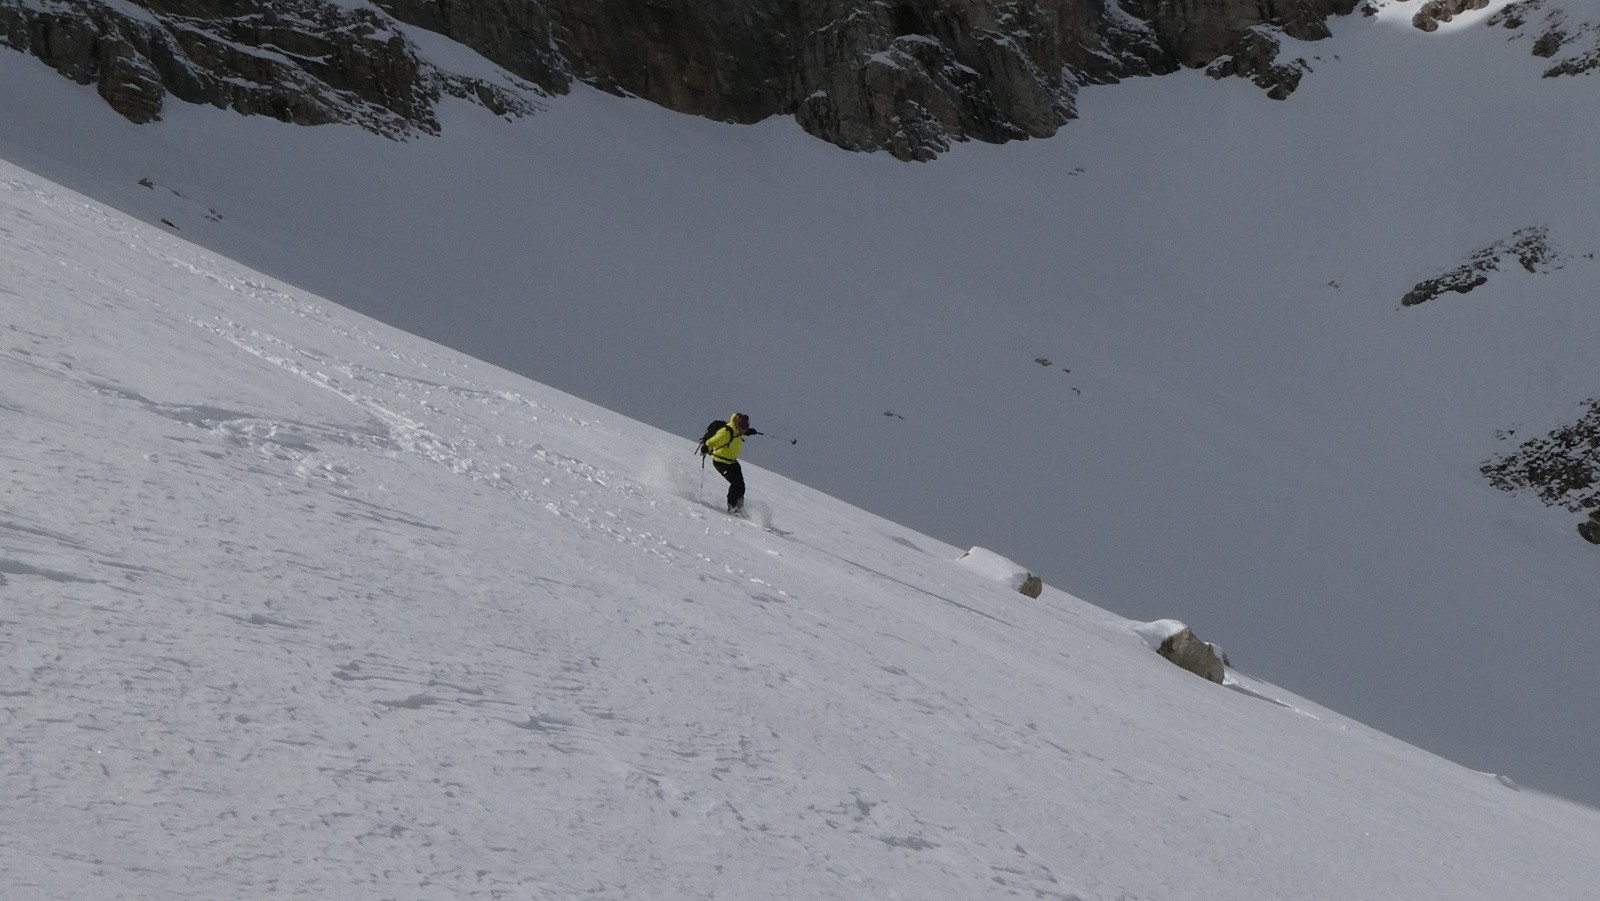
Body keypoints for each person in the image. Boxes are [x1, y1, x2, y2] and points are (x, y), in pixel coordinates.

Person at [704, 412, 759, 513]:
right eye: (742, 426)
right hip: (720, 462)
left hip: (731, 462)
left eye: (746, 426)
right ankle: (732, 507)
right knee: (735, 483)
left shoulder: (738, 431)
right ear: (736, 423)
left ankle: (740, 506)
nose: (743, 428)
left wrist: (748, 432)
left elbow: (739, 432)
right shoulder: (726, 432)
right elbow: (712, 441)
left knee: (741, 485)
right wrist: (706, 447)